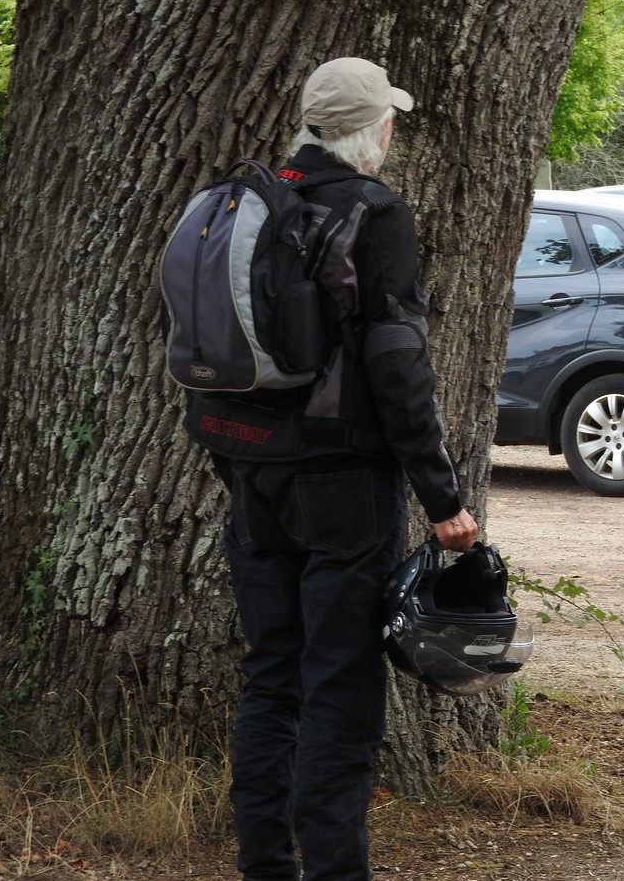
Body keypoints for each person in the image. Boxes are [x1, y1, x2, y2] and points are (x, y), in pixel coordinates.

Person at [193, 57, 478, 881]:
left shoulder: (241, 201)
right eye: (390, 118)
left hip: (249, 471)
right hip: (341, 479)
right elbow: (397, 367)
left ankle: (265, 867)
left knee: (273, 673)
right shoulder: (373, 213)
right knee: (340, 687)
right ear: (372, 129)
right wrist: (441, 496)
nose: (393, 130)